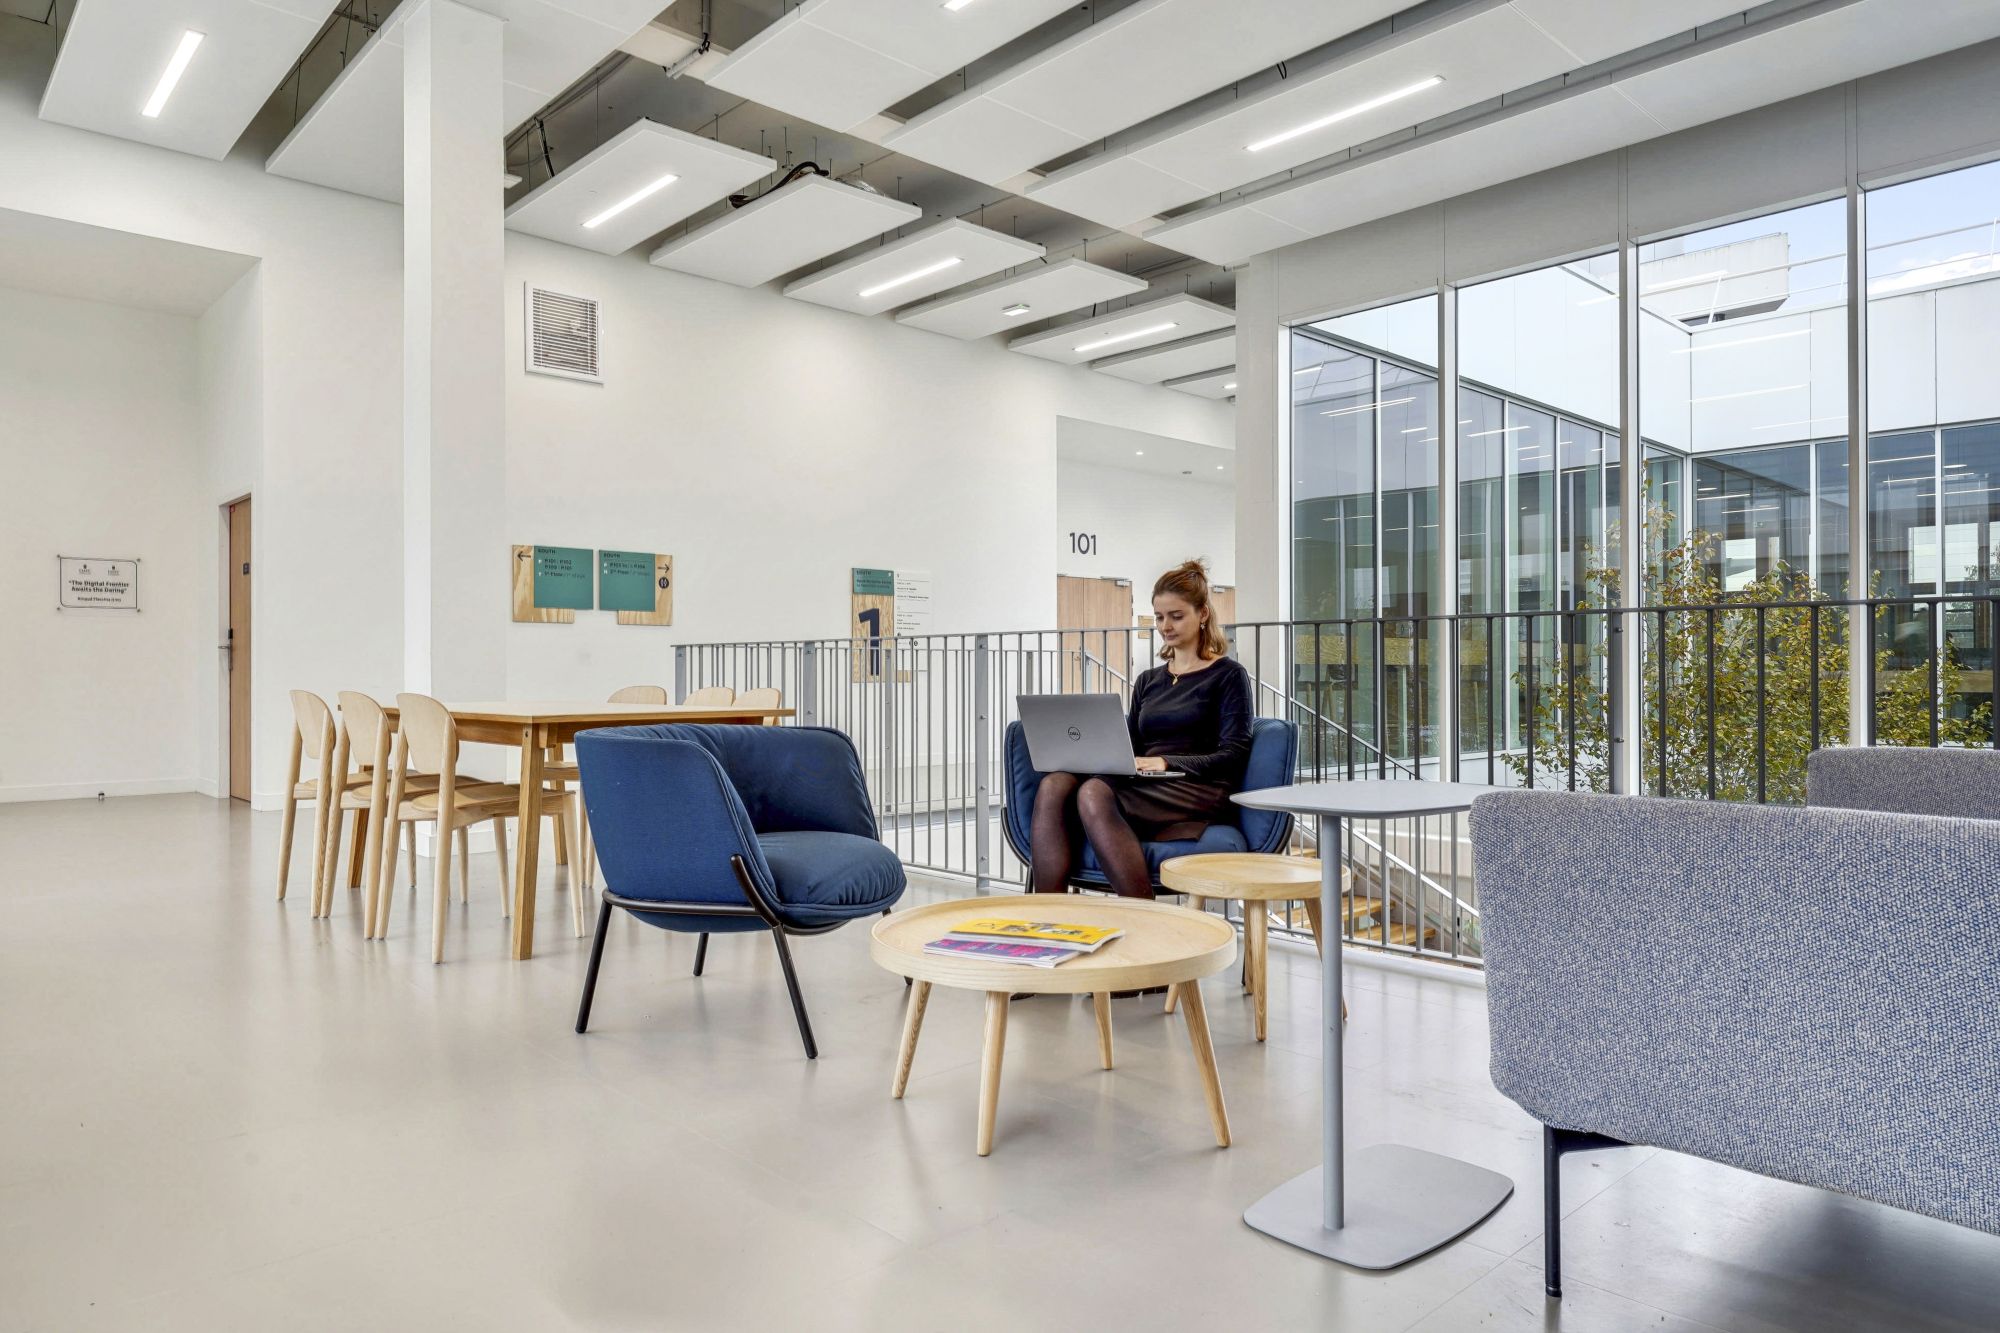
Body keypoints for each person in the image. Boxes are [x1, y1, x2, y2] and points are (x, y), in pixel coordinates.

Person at [1031, 559, 1255, 900]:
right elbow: (1132, 745)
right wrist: (1098, 758)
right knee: (1054, 784)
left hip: (1196, 787)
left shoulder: (1228, 675)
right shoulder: (1149, 680)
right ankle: (1049, 914)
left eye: (1176, 616)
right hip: (1146, 782)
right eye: (1160, 617)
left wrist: (1166, 762)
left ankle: (1144, 913)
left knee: (1092, 793)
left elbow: (1234, 754)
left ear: (1203, 614)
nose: (1165, 626)